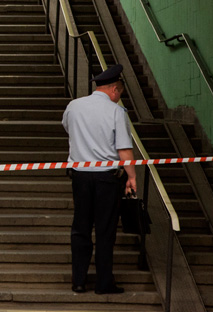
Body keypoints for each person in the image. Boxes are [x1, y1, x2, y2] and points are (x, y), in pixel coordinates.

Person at [62, 64, 137, 295]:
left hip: (80, 177)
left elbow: (67, 128)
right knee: (105, 231)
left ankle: (79, 281)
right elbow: (124, 149)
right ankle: (104, 283)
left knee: (81, 228)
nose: (119, 98)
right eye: (120, 94)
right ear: (114, 89)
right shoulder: (117, 112)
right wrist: (132, 177)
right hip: (107, 179)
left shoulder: (73, 106)